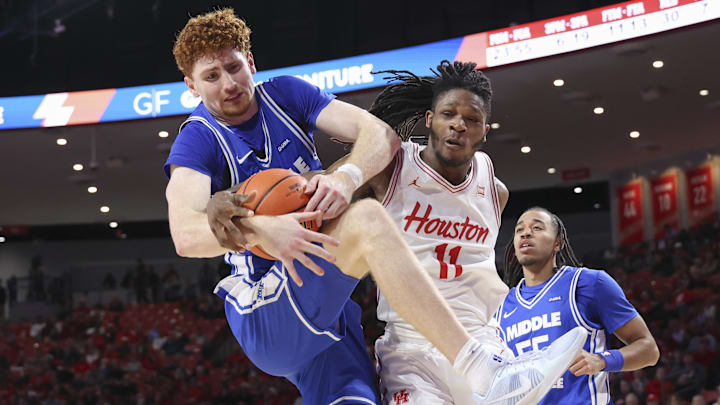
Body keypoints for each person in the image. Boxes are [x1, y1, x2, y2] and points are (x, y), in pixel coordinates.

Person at [166, 9, 586, 405]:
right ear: (192, 86)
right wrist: (262, 230)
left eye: (234, 67)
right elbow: (185, 235)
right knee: (367, 218)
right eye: (211, 76)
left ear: (251, 62)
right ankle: (486, 372)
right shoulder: (198, 138)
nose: (228, 83)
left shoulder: (285, 95)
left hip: (326, 305)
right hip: (266, 304)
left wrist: (343, 178)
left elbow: (379, 135)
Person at [357, 62, 587, 404]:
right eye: (448, 113)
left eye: (472, 120)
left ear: (485, 131)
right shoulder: (392, 167)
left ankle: (506, 379)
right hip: (410, 346)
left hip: (482, 340)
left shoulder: (495, 191)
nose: (458, 126)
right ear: (430, 118)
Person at [496, 207, 660, 404]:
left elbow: (649, 350)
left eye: (537, 228)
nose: (526, 233)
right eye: (519, 230)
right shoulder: (501, 305)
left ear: (558, 243)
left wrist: (601, 360)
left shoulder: (589, 283)